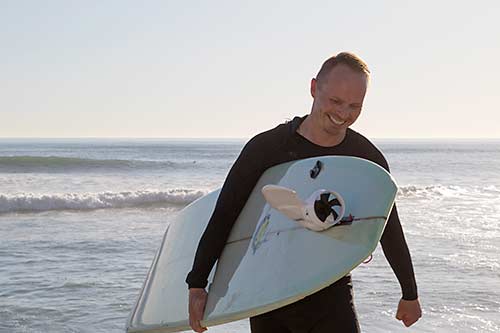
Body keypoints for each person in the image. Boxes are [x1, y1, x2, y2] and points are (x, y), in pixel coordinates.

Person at [186, 52, 422, 332]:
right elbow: (226, 214)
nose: (343, 114)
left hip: (330, 289)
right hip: (270, 295)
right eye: (335, 101)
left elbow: (387, 227)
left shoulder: (365, 159)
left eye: (354, 106)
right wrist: (198, 283)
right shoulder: (266, 149)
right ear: (313, 88)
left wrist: (409, 293)